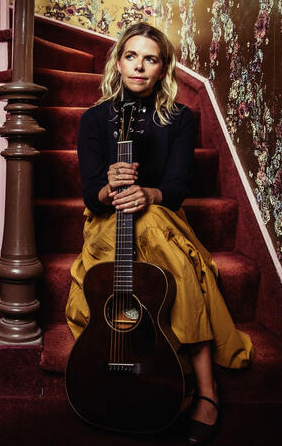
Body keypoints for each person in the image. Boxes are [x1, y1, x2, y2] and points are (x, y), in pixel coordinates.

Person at [65, 22, 254, 445]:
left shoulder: (180, 118)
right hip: (107, 220)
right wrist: (108, 186)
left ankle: (207, 389)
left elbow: (176, 187)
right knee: (153, 254)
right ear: (118, 61)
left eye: (150, 58)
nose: (139, 66)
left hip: (162, 215)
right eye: (131, 56)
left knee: (169, 253)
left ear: (162, 67)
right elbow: (91, 196)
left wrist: (147, 192)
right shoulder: (95, 119)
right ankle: (202, 384)